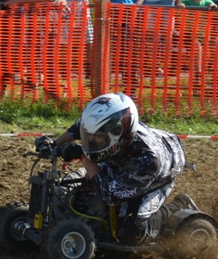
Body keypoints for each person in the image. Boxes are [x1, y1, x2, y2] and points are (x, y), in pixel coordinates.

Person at [41, 93, 188, 245]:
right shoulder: (108, 131)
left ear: (117, 134)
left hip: (158, 172)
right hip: (121, 158)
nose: (90, 139)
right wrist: (54, 144)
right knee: (69, 189)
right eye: (88, 134)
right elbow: (79, 127)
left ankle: (178, 206)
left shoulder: (148, 160)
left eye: (97, 135)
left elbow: (111, 195)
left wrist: (82, 156)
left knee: (130, 231)